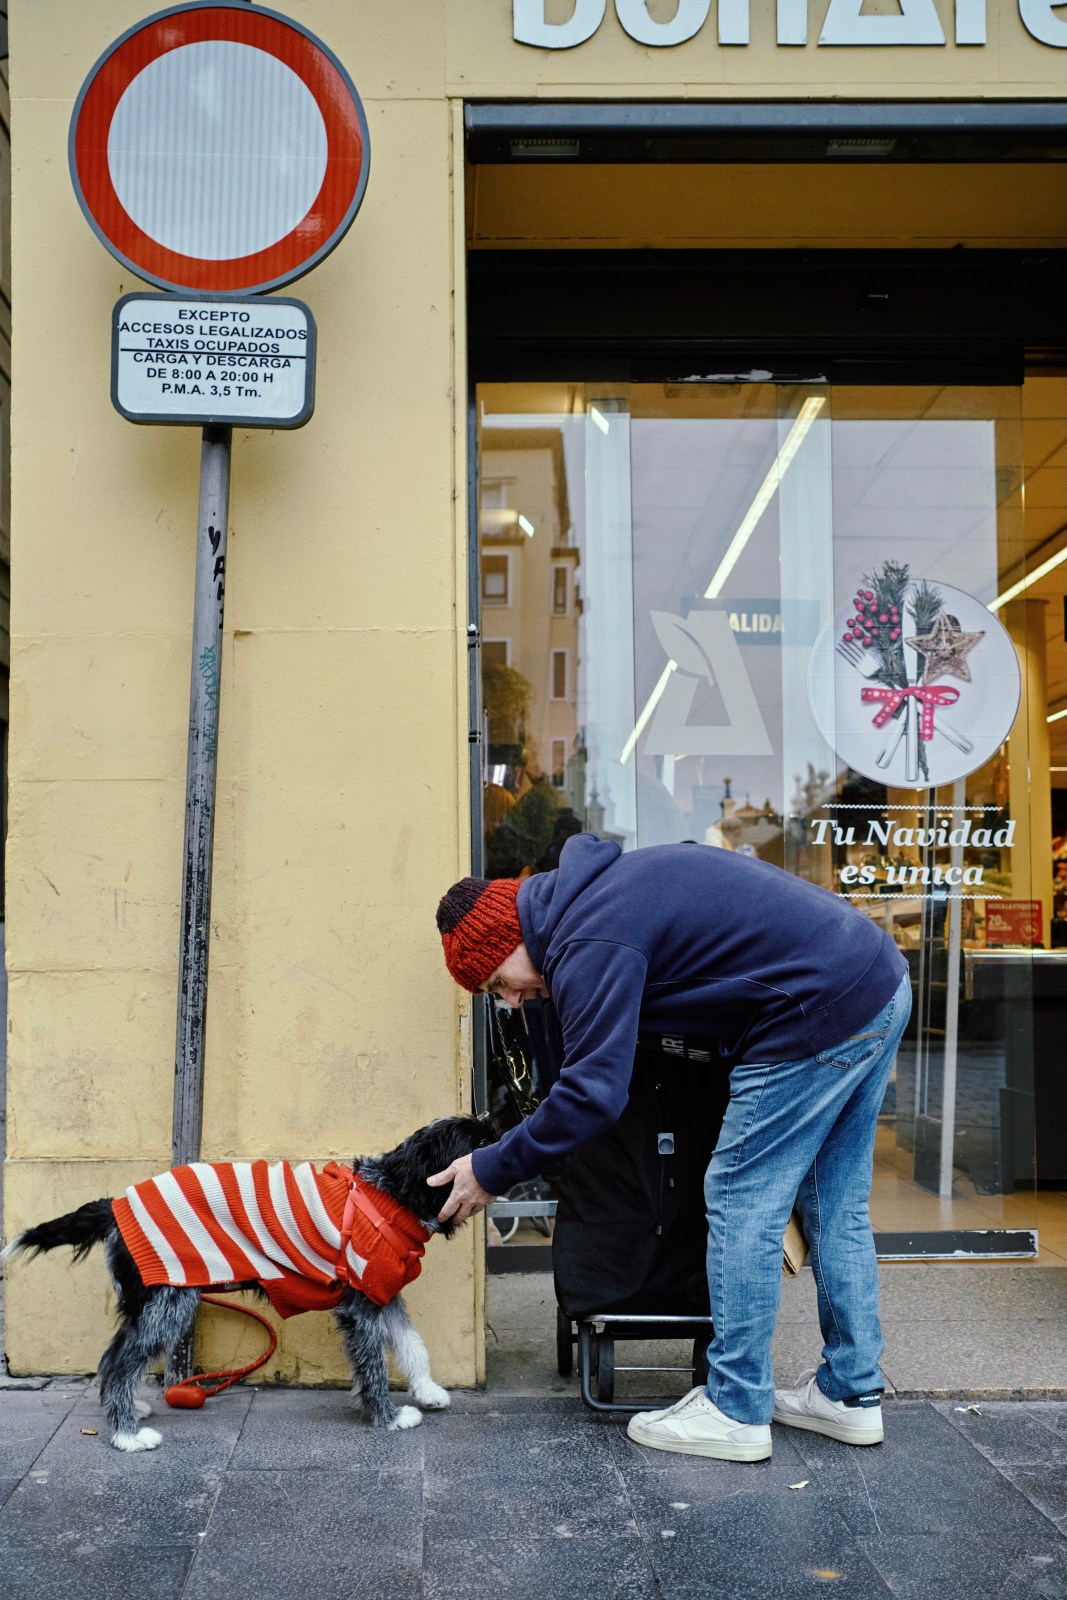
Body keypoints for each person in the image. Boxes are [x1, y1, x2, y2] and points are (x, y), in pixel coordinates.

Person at [428, 834, 910, 1462]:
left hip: (810, 1011)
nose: (512, 999)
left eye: (498, 981)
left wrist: (493, 1169)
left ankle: (735, 1408)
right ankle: (850, 1393)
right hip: (874, 980)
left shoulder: (586, 940)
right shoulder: (600, 896)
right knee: (834, 1204)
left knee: (740, 1196)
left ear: (512, 938)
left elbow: (593, 1093)